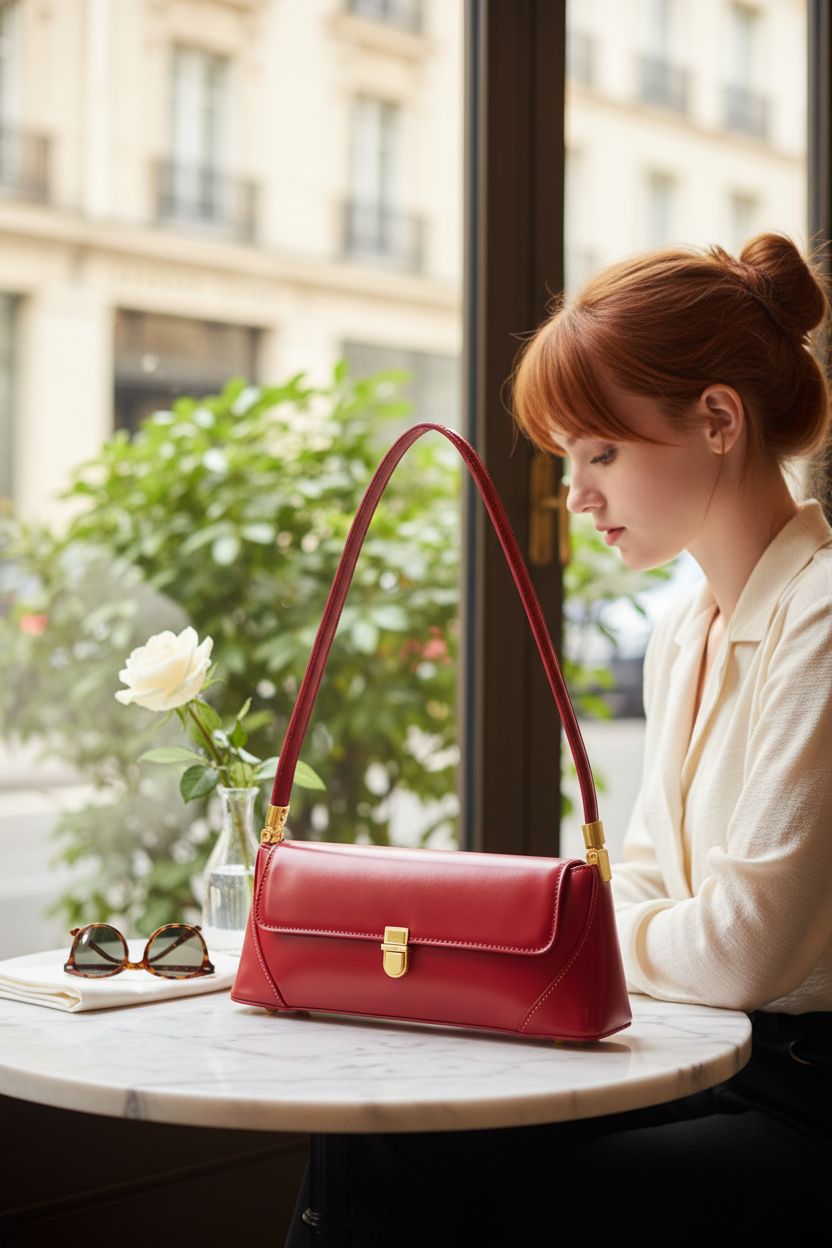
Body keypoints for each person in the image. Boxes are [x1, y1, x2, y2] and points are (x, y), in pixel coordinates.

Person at [285, 232, 832, 1244]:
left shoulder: (820, 617)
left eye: (602, 453)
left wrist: (563, 935)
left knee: (510, 1203)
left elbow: (744, 949)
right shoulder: (685, 630)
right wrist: (585, 932)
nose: (576, 497)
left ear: (717, 418)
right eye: (567, 460)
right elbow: (645, 891)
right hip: (694, 1053)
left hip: (806, 1101)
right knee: (369, 1127)